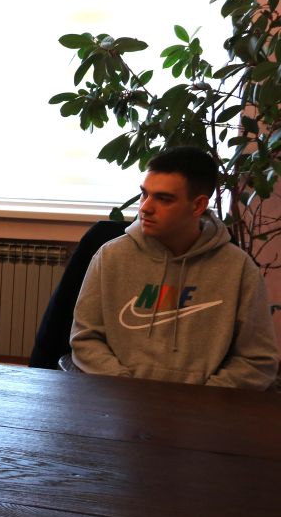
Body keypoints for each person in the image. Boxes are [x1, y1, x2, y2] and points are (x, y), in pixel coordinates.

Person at [71, 145, 279, 388]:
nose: (145, 207)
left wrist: (200, 399)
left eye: (163, 199)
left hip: (202, 406)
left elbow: (257, 360)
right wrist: (127, 390)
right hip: (120, 399)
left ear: (198, 206)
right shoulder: (110, 256)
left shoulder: (238, 268)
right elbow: (85, 339)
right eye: (144, 194)